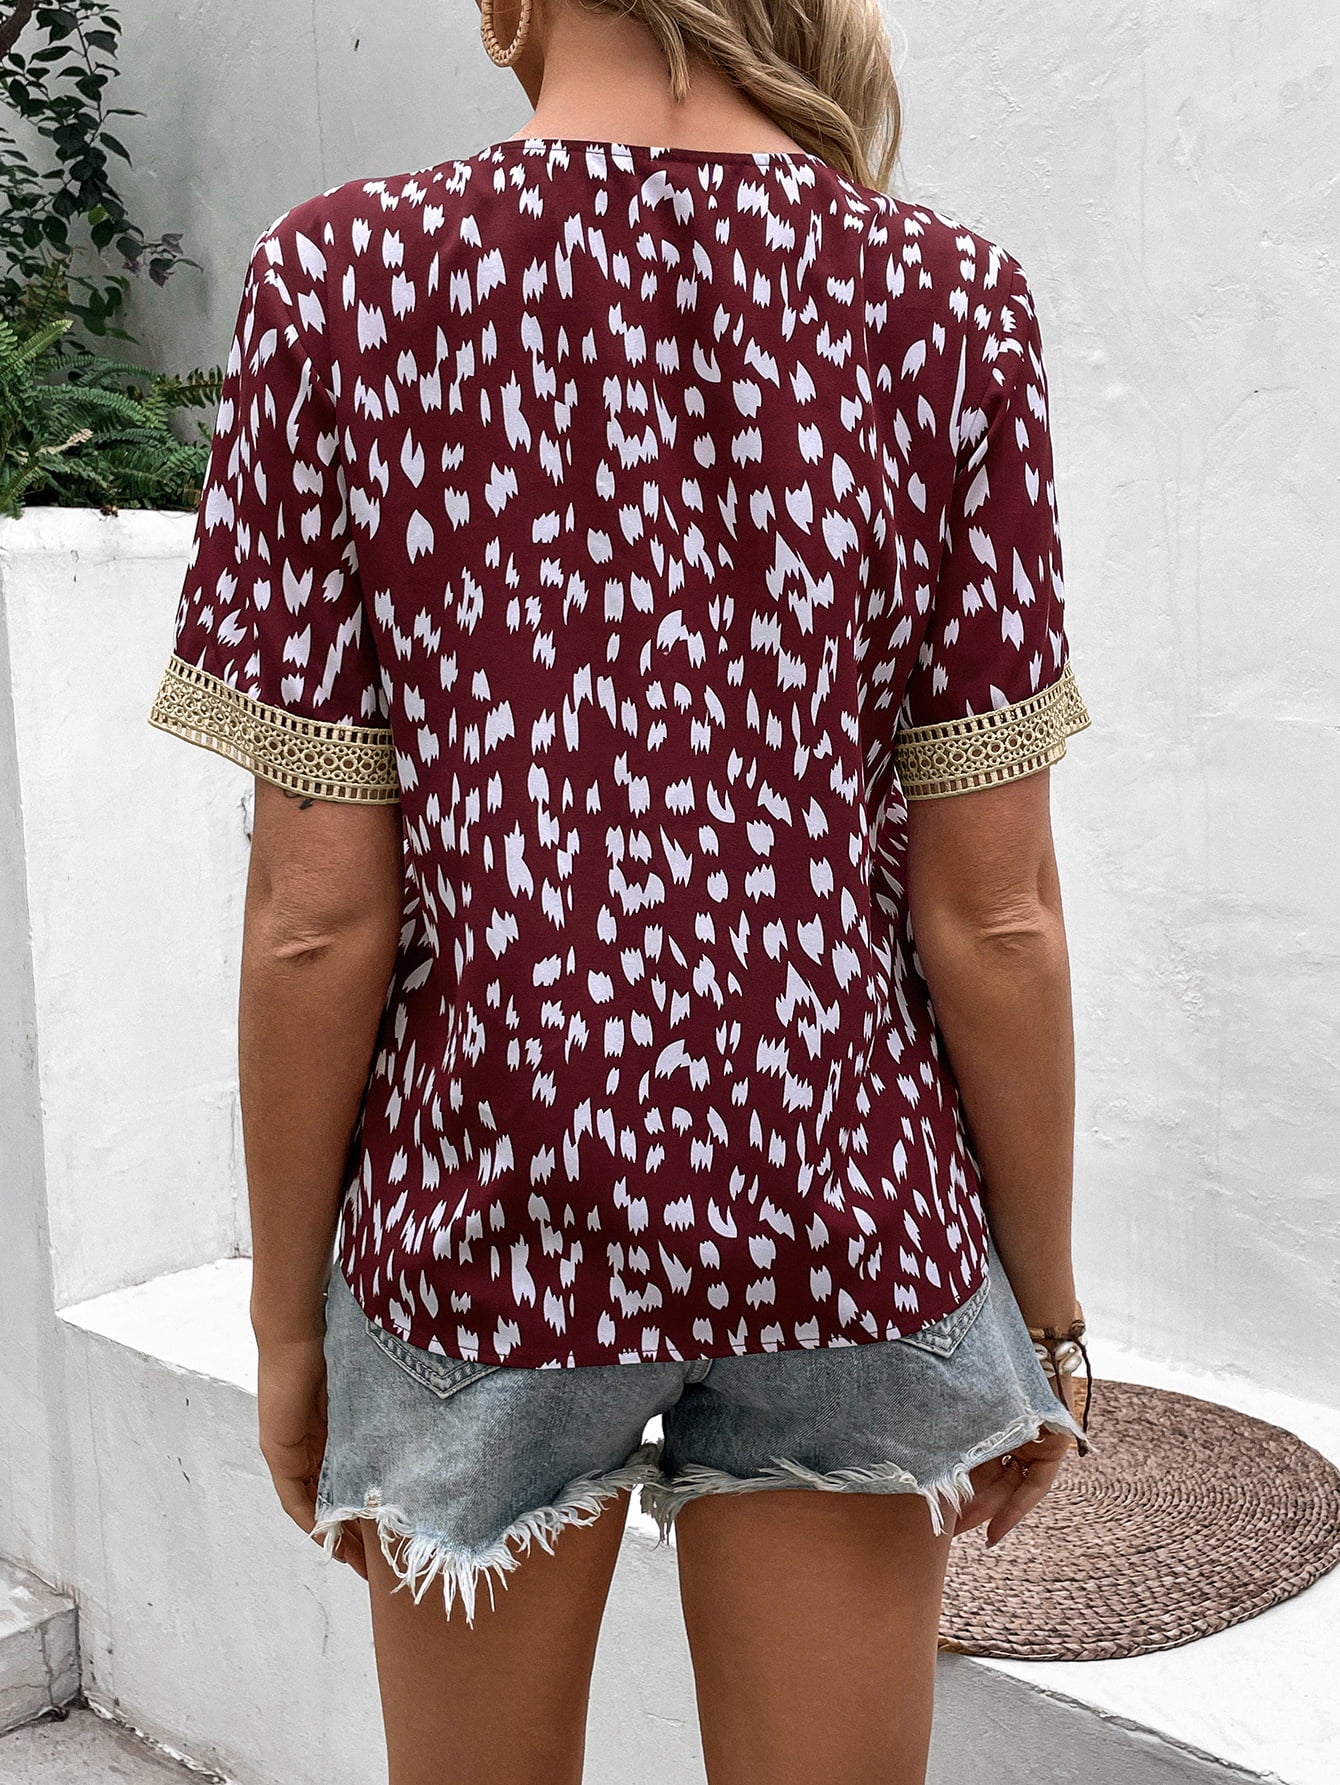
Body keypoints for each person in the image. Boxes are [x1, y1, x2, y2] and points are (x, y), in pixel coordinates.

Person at [148, 0, 1098, 1776]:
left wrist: (288, 1323)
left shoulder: (343, 282)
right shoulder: (948, 302)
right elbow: (998, 912)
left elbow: (314, 915)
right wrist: (1041, 1314)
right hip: (845, 1206)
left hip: (481, 1225)